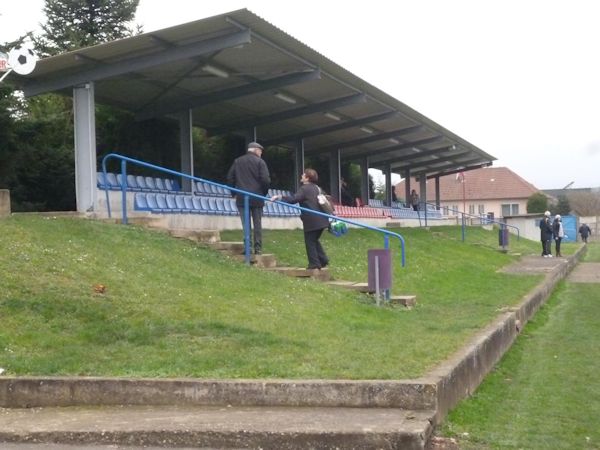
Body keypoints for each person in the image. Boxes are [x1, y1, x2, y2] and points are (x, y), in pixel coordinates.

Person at [270, 168, 329, 270]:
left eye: (303, 175)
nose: (301, 176)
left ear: (307, 178)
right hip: (322, 220)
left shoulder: (304, 188)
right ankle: (323, 260)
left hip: (312, 220)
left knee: (310, 241)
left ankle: (314, 264)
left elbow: (294, 199)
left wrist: (279, 197)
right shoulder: (317, 188)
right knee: (314, 240)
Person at [227, 141, 271, 255]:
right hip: (257, 198)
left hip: (242, 197)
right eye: (260, 151)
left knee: (245, 224)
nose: (261, 153)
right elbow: (266, 180)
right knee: (257, 224)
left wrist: (234, 193)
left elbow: (230, 178)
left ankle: (247, 248)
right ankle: (258, 249)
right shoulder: (260, 162)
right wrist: (263, 194)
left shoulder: (237, 161)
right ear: (256, 150)